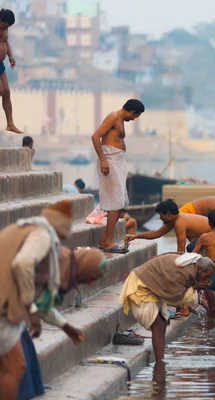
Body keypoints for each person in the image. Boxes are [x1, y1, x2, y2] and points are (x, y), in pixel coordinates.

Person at [0, 200, 74, 398]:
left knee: (9, 366)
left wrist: (65, 326)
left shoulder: (20, 228)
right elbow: (22, 263)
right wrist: (30, 308)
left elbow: (41, 303)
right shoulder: (42, 234)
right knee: (16, 366)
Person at [16, 246, 106, 400]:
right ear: (85, 267)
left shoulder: (64, 267)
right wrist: (32, 312)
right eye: (92, 277)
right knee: (18, 366)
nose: (90, 283)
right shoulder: (58, 261)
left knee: (28, 358)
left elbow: (43, 308)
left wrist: (67, 327)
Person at [119, 253, 215, 363]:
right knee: (158, 324)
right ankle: (160, 362)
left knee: (162, 322)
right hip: (141, 285)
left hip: (150, 285)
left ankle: (160, 359)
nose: (207, 279)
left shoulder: (192, 267)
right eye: (206, 276)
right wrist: (196, 287)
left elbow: (181, 292)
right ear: (199, 269)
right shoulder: (184, 272)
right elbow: (174, 298)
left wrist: (196, 288)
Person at [92, 99, 145, 254]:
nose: (134, 119)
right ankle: (106, 241)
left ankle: (106, 239)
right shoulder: (113, 116)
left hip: (117, 161)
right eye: (136, 116)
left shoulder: (120, 120)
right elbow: (95, 137)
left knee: (119, 202)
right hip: (109, 160)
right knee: (115, 201)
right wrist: (103, 160)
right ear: (132, 111)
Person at [125, 199, 211, 252]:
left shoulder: (179, 223)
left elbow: (180, 251)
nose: (160, 218)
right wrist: (136, 236)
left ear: (168, 214)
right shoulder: (175, 220)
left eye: (161, 215)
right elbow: (156, 233)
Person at [0, 9, 22, 134]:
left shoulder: (5, 28)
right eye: (5, 25)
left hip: (1, 64)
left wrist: (10, 56)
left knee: (7, 92)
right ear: (1, 20)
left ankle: (10, 124)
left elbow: (5, 41)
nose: (6, 28)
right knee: (1, 90)